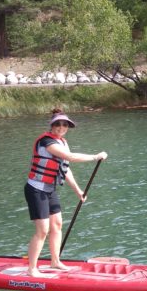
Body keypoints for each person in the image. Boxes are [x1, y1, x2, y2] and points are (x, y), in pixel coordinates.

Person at [24, 108, 107, 277]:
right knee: (42, 230)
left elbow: (65, 168)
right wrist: (95, 157)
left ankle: (55, 262)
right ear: (52, 125)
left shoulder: (62, 142)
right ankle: (32, 269)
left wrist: (78, 191)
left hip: (49, 189)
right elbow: (71, 158)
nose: (62, 127)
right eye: (58, 124)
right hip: (36, 189)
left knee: (57, 225)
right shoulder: (47, 142)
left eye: (65, 125)